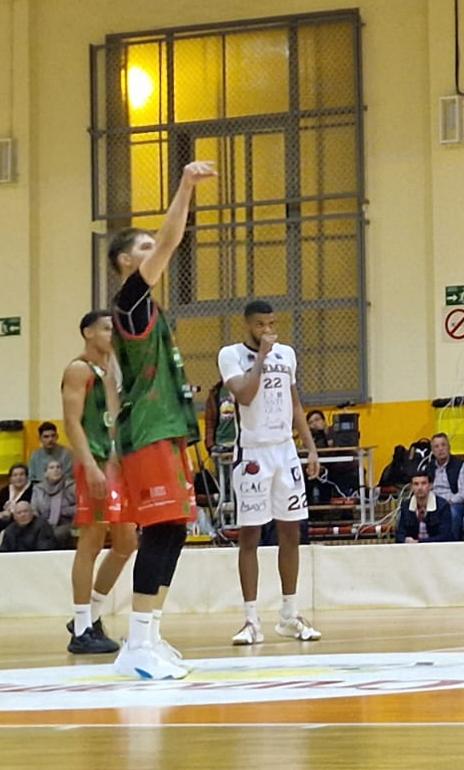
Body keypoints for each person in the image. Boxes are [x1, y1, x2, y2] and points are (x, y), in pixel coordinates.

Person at [108, 159, 216, 680]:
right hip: (146, 432)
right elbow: (173, 238)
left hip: (167, 431)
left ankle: (147, 637)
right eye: (145, 248)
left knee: (173, 531)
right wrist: (185, 186)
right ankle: (135, 641)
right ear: (127, 261)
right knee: (158, 532)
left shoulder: (151, 313)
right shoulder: (129, 301)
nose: (158, 252)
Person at [218, 300, 322, 646]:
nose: (268, 330)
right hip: (253, 454)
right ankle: (251, 620)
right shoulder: (230, 355)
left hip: (285, 451)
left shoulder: (287, 355)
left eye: (272, 323)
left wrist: (309, 447)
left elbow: (295, 403)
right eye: (261, 325)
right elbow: (245, 396)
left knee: (290, 532)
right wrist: (261, 357)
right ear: (247, 325)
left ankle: (289, 615)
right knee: (250, 535)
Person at [60, 311, 138, 653]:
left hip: (116, 465)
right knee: (91, 542)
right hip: (93, 463)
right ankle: (81, 630)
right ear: (88, 332)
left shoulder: (111, 371)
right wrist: (90, 466)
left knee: (126, 543)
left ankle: (90, 615)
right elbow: (72, 422)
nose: (112, 334)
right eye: (107, 328)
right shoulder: (78, 370)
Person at [395, 469, 453, 543]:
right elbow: (400, 533)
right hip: (412, 549)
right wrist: (405, 540)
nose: (420, 488)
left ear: (430, 485)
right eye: (416, 484)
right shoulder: (406, 506)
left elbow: (445, 536)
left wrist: (420, 542)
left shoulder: (443, 506)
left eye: (423, 483)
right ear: (411, 487)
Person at [30, 460, 76, 548]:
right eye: (51, 468)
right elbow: (33, 509)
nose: (56, 470)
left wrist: (63, 511)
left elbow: (80, 508)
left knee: (53, 535)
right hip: (43, 524)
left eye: (58, 467)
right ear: (45, 473)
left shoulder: (70, 486)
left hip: (66, 524)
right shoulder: (38, 488)